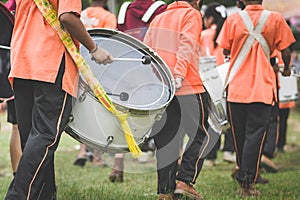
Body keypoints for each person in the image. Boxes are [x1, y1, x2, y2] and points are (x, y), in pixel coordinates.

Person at [5, 0, 113, 199]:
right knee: (45, 137)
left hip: (22, 62)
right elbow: (67, 16)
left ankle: (45, 195)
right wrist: (94, 48)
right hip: (50, 62)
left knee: (33, 141)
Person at [217, 0, 295, 197]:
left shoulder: (233, 19)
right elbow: (285, 51)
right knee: (255, 136)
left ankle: (244, 173)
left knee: (239, 136)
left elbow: (225, 50)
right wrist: (285, 68)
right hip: (262, 88)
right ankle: (247, 182)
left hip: (236, 88)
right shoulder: (275, 19)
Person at [144, 0, 210, 199]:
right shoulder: (191, 14)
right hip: (187, 85)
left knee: (166, 141)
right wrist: (178, 76)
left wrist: (158, 81)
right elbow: (187, 44)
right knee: (202, 135)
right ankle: (185, 181)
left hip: (163, 89)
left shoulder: (159, 17)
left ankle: (165, 192)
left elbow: (146, 51)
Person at [107, 0, 168, 183]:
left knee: (123, 112)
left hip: (127, 68)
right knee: (162, 114)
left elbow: (118, 39)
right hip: (152, 69)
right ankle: (173, 159)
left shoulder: (124, 9)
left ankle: (118, 163)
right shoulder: (161, 9)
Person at [73, 0, 117, 168]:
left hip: (77, 63)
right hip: (98, 66)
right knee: (98, 108)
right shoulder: (108, 16)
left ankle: (82, 151)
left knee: (80, 106)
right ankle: (97, 156)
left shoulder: (81, 13)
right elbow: (111, 40)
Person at [199, 2, 236, 167]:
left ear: (210, 18)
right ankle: (229, 150)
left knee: (211, 118)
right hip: (226, 77)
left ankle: (211, 155)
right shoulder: (226, 34)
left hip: (208, 79)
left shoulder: (203, 34)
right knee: (229, 114)